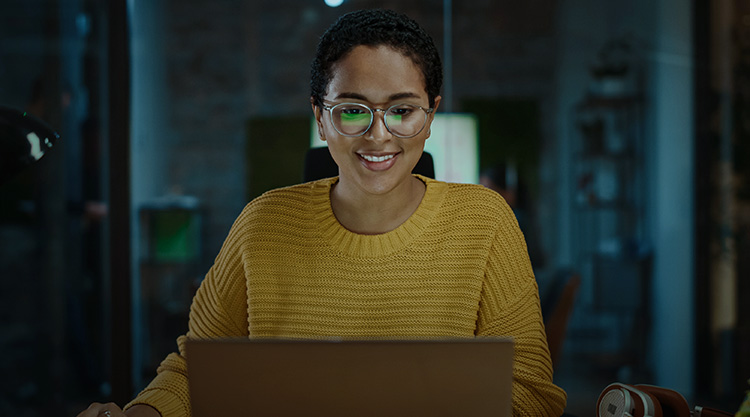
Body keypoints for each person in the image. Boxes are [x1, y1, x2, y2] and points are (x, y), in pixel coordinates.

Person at [78, 9, 567, 417]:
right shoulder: (261, 224)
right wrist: (142, 412)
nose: (378, 135)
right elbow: (193, 370)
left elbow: (529, 392)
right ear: (320, 116)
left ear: (431, 115)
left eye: (402, 110)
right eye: (352, 110)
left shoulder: (484, 222)